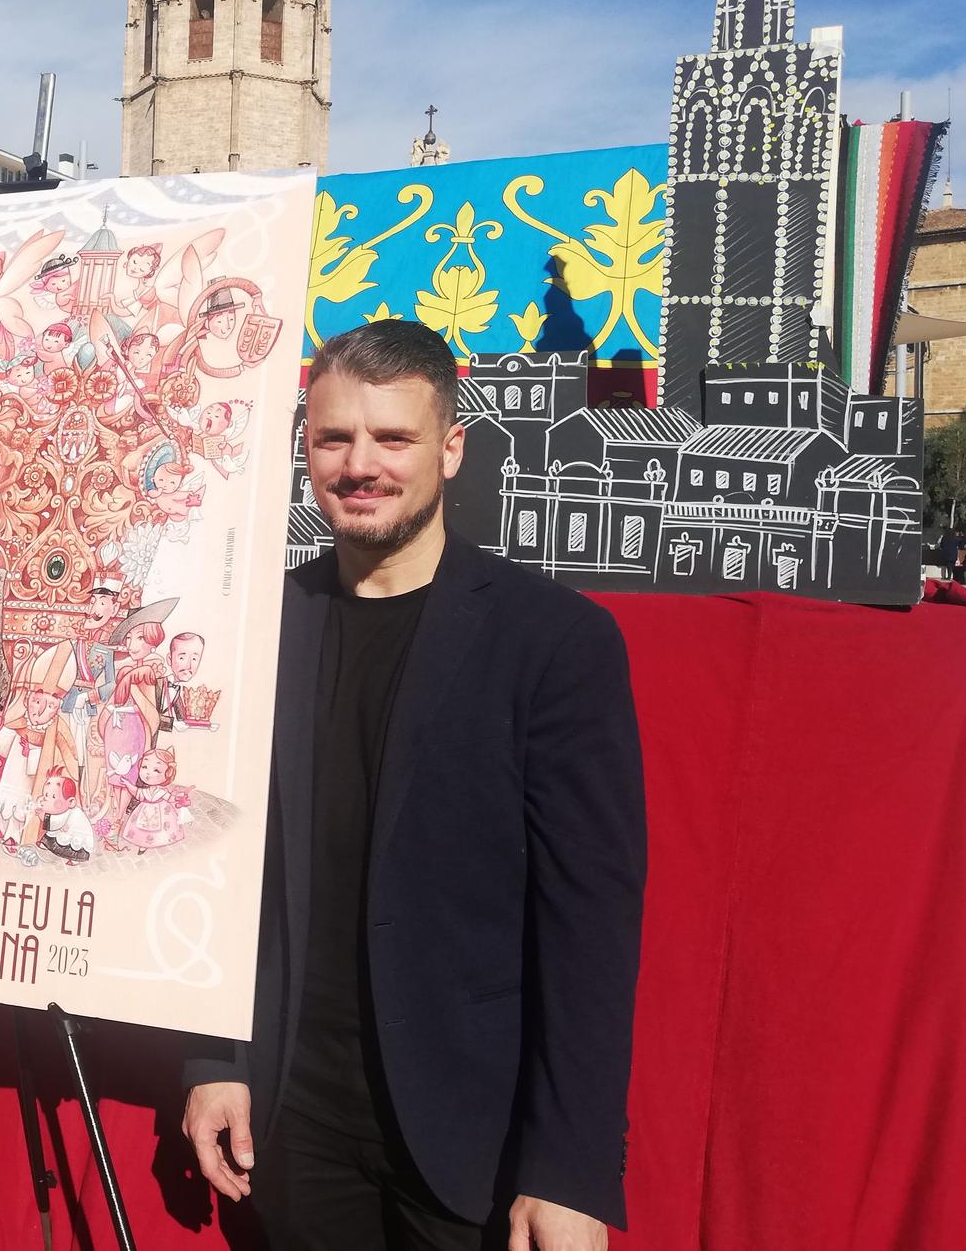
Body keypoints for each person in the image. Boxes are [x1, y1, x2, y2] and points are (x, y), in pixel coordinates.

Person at [181, 320, 645, 1251]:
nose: (361, 465)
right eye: (334, 437)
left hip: (470, 1145)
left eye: (394, 438)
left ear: (452, 449)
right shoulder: (258, 627)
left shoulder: (553, 643)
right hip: (293, 1127)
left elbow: (589, 922)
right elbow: (218, 866)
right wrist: (217, 1059)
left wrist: (571, 1168)